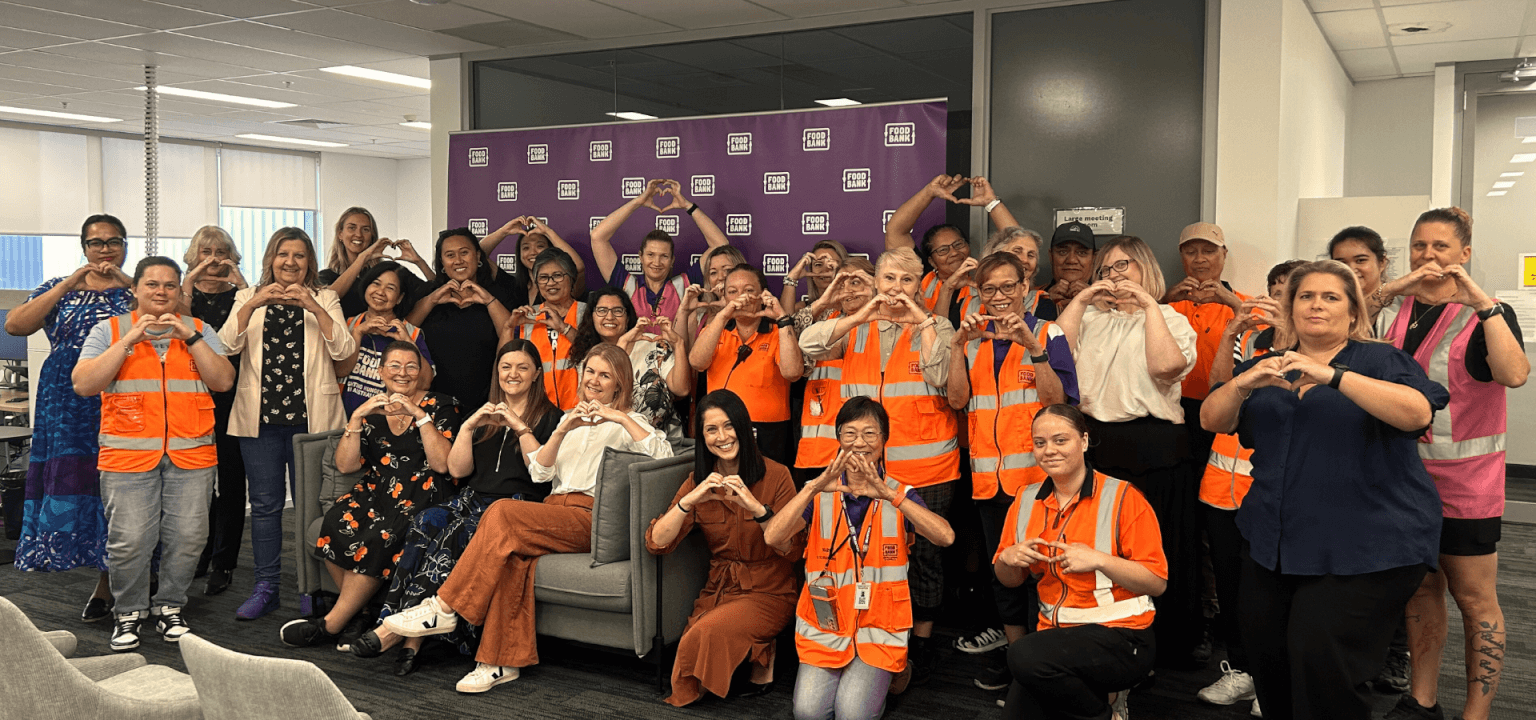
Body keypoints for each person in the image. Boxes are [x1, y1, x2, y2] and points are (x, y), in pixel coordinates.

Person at [1201, 260, 1449, 720]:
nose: (1316, 305)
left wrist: (1332, 377)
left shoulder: (1380, 360)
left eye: (1331, 297)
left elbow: (1417, 413)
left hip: (1368, 542)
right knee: (1269, 661)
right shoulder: (1265, 366)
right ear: (1289, 309)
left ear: (1353, 312)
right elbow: (1212, 420)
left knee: (1320, 660)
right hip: (1274, 541)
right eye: (1306, 296)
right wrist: (1241, 383)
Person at [379, 343, 671, 693]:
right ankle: (498, 662)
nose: (594, 380)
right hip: (554, 510)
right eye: (590, 371)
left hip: (591, 517)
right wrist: (564, 429)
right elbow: (541, 473)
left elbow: (661, 455)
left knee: (501, 511)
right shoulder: (569, 419)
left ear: (619, 385)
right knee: (511, 556)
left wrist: (619, 416)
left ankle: (444, 606)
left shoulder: (631, 423)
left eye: (605, 375)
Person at [1382, 208, 1527, 720]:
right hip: (1403, 482)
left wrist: (1484, 305)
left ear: (1464, 253)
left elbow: (1514, 375)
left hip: (1467, 488)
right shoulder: (1395, 309)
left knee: (1474, 599)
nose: (1429, 257)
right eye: (1420, 246)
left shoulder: (1488, 313)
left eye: (1441, 247)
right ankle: (1422, 699)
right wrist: (1398, 283)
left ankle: (1478, 711)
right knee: (1421, 590)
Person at [349, 339, 560, 675]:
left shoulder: (552, 419)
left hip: (512, 507)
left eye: (522, 367)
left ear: (537, 374)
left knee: (456, 533)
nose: (513, 374)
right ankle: (405, 634)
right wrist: (468, 427)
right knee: (425, 521)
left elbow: (540, 473)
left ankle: (396, 634)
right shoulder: (485, 413)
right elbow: (458, 470)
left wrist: (519, 427)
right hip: (471, 499)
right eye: (506, 367)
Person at [799, 247, 956, 683]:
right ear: (876, 282)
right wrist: (862, 312)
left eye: (906, 281)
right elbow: (807, 343)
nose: (896, 289)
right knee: (867, 556)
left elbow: (941, 374)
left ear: (919, 285)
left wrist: (921, 322)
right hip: (865, 470)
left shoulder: (937, 325)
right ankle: (860, 637)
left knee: (924, 561)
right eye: (888, 280)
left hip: (927, 467)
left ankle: (916, 648)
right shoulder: (857, 328)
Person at [72, 256, 235, 651]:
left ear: (180, 291)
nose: (161, 292)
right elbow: (84, 384)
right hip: (128, 456)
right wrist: (129, 341)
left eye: (169, 286)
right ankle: (128, 611)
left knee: (188, 537)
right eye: (152, 285)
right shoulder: (109, 329)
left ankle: (170, 606)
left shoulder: (200, 329)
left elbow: (223, 380)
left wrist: (192, 339)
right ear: (135, 290)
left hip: (192, 453)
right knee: (129, 540)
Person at [1056, 235, 1201, 668]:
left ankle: (1169, 644)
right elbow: (1053, 352)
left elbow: (1165, 367)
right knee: (1103, 547)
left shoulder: (1173, 319)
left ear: (1145, 270)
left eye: (1125, 266)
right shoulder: (1092, 319)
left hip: (1156, 445)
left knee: (1157, 550)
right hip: (1099, 443)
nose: (1115, 276)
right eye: (1108, 269)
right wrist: (1083, 298)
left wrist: (1149, 306)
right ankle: (1107, 635)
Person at [762, 397, 956, 719]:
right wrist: (812, 488)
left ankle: (899, 670)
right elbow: (773, 536)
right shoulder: (822, 491)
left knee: (852, 714)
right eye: (850, 433)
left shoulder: (898, 492)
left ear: (884, 440)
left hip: (878, 628)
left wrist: (890, 495)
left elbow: (945, 536)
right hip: (827, 626)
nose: (859, 443)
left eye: (870, 433)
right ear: (838, 439)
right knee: (807, 712)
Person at [945, 252, 1078, 690]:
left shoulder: (1048, 332)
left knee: (1044, 572)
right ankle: (1018, 659)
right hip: (989, 481)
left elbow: (1058, 403)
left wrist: (1034, 349)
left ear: (1025, 288)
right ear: (977, 294)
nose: (999, 297)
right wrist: (955, 347)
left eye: (1008, 287)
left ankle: (1046, 658)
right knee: (1003, 574)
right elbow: (959, 400)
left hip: (1039, 483)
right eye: (989, 290)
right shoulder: (975, 339)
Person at [281, 341, 461, 653]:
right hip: (378, 490)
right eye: (394, 366)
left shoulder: (443, 405)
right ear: (380, 371)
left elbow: (443, 464)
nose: (402, 373)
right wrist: (355, 419)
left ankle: (332, 624)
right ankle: (362, 615)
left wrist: (419, 415)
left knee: (381, 535)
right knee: (335, 521)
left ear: (421, 373)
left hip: (425, 493)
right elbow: (346, 464)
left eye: (410, 367)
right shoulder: (372, 411)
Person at [993, 404, 1167, 720]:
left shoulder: (1124, 497)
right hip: (1056, 640)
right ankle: (1105, 700)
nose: (1049, 451)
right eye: (1040, 443)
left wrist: (1099, 560)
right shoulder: (1024, 501)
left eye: (1061, 440)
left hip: (1122, 637)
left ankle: (1105, 713)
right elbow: (1010, 581)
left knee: (1021, 654)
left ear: (1084, 442)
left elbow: (1156, 581)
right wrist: (1008, 559)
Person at [219, 227, 357, 620]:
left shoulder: (326, 296)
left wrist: (314, 307)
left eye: (299, 256)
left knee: (311, 507)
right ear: (271, 259)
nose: (290, 263)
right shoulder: (246, 297)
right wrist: (253, 304)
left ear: (309, 263)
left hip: (311, 423)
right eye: (283, 255)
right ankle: (266, 586)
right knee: (265, 506)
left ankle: (310, 586)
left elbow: (344, 349)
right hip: (259, 422)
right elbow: (227, 345)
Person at [6, 214, 133, 620]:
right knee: (79, 484)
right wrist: (67, 284)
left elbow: (178, 309)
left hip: (123, 398)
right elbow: (15, 325)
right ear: (84, 248)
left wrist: (130, 282)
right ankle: (92, 567)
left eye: (114, 241)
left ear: (125, 246)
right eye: (97, 243)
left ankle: (111, 580)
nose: (106, 250)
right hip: (65, 404)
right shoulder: (58, 288)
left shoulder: (136, 290)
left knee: (119, 487)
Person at [645, 390, 801, 706]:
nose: (722, 437)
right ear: (702, 437)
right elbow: (656, 543)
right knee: (690, 646)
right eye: (711, 430)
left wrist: (758, 509)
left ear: (743, 427)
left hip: (770, 590)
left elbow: (793, 549)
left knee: (704, 637)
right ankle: (758, 652)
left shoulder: (778, 475)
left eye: (728, 426)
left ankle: (759, 648)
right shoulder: (697, 481)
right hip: (720, 589)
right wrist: (688, 502)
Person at [1195, 259, 1300, 711]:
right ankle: (1243, 670)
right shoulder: (1254, 341)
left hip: (1277, 492)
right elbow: (1220, 388)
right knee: (1235, 585)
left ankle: (1279, 678)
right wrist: (1232, 332)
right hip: (1223, 486)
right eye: (1272, 291)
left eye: (1287, 293)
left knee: (1281, 589)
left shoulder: (1316, 352)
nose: (1277, 301)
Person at [1165, 222, 1252, 535]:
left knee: (1215, 504)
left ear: (1223, 254)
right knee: (1181, 502)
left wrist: (1231, 302)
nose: (1199, 258)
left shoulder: (1243, 302)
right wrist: (1163, 298)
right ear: (1181, 257)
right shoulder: (1166, 302)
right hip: (1175, 414)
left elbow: (1269, 339)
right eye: (1191, 251)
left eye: (1208, 251)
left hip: (1223, 416)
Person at [180, 226, 251, 597]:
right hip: (188, 397)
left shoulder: (241, 295)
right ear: (192, 256)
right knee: (196, 485)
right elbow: (179, 320)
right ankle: (200, 554)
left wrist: (241, 283)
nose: (212, 258)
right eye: (204, 251)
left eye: (220, 251)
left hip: (232, 397)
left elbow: (247, 331)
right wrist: (191, 277)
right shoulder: (182, 295)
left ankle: (224, 561)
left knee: (230, 483)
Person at [689, 264, 803, 466]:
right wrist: (724, 315)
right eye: (732, 292)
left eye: (749, 291)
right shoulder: (718, 329)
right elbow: (697, 362)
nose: (741, 297)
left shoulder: (778, 331)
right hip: (721, 430)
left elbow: (793, 372)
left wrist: (783, 318)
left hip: (770, 432)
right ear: (724, 297)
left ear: (763, 296)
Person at [886, 174, 1021, 326]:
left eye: (958, 244)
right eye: (943, 250)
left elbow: (1019, 245)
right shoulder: (921, 276)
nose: (954, 253)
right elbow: (895, 231)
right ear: (932, 261)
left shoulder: (988, 279)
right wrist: (929, 192)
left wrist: (991, 203)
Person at [406, 228, 518, 409]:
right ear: (442, 262)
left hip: (486, 403)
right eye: (450, 255)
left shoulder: (499, 293)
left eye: (464, 253)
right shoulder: (428, 294)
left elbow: (512, 336)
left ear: (478, 256)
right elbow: (403, 330)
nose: (458, 260)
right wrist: (432, 300)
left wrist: (489, 301)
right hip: (433, 404)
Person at [590, 179, 729, 322]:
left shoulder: (685, 284)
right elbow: (597, 236)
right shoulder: (625, 284)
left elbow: (721, 245)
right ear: (641, 257)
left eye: (664, 256)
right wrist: (638, 202)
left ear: (672, 260)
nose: (657, 262)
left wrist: (688, 206)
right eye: (650, 255)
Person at [569, 288, 690, 440]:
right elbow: (596, 405)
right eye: (602, 310)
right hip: (613, 444)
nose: (610, 317)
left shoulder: (654, 345)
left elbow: (682, 389)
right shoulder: (589, 358)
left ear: (627, 317)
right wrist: (622, 345)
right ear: (592, 316)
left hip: (662, 443)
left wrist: (678, 344)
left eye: (618, 311)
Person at [793, 258, 876, 478]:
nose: (847, 291)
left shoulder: (885, 323)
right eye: (841, 284)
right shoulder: (825, 322)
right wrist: (825, 301)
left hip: (862, 446)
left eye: (856, 282)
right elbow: (792, 341)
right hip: (818, 449)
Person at [336, 261, 433, 415]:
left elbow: (424, 383)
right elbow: (340, 371)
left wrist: (407, 342)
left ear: (399, 298)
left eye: (390, 288)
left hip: (388, 425)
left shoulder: (411, 333)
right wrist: (358, 333)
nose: (380, 292)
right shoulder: (349, 324)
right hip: (345, 420)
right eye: (376, 284)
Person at [507, 248, 587, 410]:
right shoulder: (528, 316)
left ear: (571, 278)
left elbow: (599, 354)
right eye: (543, 278)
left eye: (557, 276)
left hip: (580, 411)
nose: (550, 283)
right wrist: (508, 328)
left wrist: (564, 328)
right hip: (538, 411)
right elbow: (505, 361)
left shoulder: (587, 312)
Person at [319, 207, 433, 318]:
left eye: (366, 229)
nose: (358, 234)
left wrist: (420, 262)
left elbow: (436, 291)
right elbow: (326, 301)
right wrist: (362, 258)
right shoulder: (326, 276)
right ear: (340, 234)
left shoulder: (385, 273)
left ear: (372, 237)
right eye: (352, 228)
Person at [479, 215, 586, 308]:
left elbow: (577, 266)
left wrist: (548, 232)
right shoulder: (512, 285)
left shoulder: (560, 284)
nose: (533, 252)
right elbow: (478, 255)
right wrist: (503, 232)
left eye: (540, 246)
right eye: (526, 248)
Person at [1328, 226, 1398, 335]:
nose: (1351, 269)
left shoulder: (1402, 305)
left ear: (1382, 263)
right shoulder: (1327, 306)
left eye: (1360, 260)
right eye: (1342, 263)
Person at [979, 225, 1056, 320]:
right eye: (1017, 251)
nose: (1024, 260)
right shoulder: (965, 305)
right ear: (995, 254)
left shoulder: (1043, 306)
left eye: (1031, 255)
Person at [781, 240, 851, 314]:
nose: (825, 270)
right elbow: (784, 321)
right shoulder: (802, 308)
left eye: (831, 264)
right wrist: (792, 278)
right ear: (811, 270)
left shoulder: (855, 305)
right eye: (818, 264)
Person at [1044, 222, 1096, 308]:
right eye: (1063, 252)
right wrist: (1044, 304)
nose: (1072, 260)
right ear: (1051, 256)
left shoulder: (1108, 300)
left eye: (1082, 253)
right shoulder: (1031, 298)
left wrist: (1096, 304)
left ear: (1094, 258)